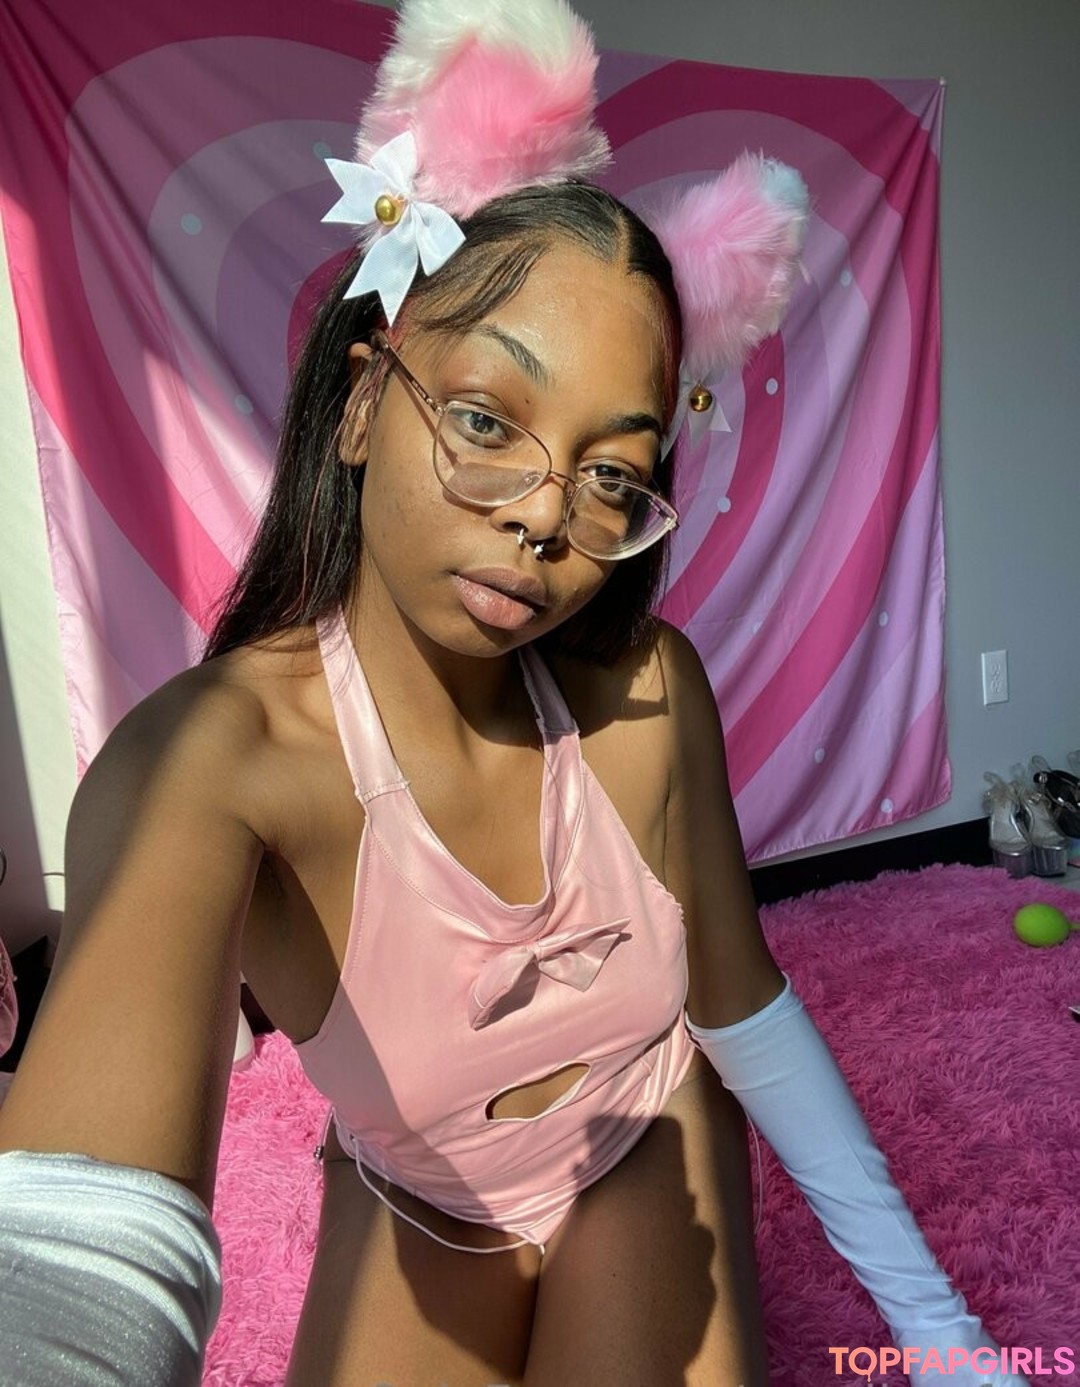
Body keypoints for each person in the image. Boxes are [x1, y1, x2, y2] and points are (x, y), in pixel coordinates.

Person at [0, 3, 1026, 1385]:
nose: (546, 516)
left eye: (610, 474)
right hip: (421, 1196)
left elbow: (744, 1007)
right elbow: (74, 1247)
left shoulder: (650, 694)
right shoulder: (211, 763)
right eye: (487, 422)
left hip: (646, 1140)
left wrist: (942, 1336)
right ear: (362, 404)